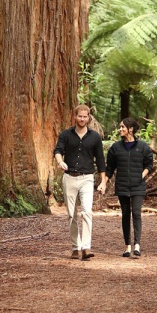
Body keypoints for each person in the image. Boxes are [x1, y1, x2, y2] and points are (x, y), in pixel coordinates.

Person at [54, 104, 107, 260]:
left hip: (87, 178)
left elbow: (101, 160)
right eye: (80, 116)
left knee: (86, 212)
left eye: (85, 116)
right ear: (75, 116)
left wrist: (103, 181)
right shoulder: (65, 134)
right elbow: (58, 150)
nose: (82, 119)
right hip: (69, 177)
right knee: (72, 215)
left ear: (88, 117)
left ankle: (86, 247)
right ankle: (75, 247)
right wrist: (60, 161)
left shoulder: (95, 137)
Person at [105, 117, 153, 258]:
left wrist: (141, 176)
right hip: (122, 185)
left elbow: (149, 164)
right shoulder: (116, 148)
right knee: (126, 214)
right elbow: (110, 168)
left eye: (122, 127)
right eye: (120, 127)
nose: (120, 129)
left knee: (136, 213)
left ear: (130, 129)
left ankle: (137, 245)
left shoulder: (143, 147)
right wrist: (104, 182)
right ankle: (127, 246)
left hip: (138, 185)